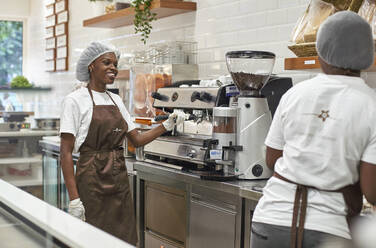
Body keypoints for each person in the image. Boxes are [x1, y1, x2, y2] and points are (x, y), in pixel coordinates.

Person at [251, 11, 376, 248]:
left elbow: (272, 158)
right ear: (368, 54)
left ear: (321, 53)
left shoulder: (294, 94)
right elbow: (372, 190)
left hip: (270, 220)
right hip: (330, 229)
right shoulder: (371, 105)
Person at [59, 42, 186, 245]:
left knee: (123, 237)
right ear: (91, 66)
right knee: (92, 239)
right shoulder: (74, 100)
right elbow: (65, 153)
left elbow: (137, 139)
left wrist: (167, 126)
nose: (113, 68)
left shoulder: (116, 100)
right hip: (91, 177)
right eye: (106, 62)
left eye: (115, 64)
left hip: (118, 176)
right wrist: (74, 199)